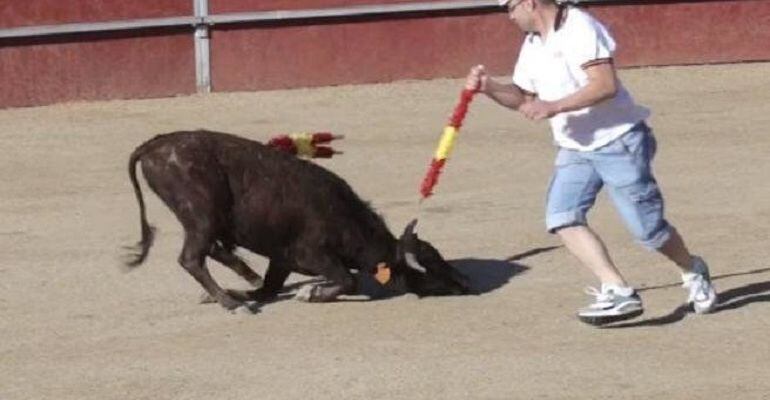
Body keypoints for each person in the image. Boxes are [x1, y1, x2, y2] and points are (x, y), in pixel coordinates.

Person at [465, 0, 717, 325]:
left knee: (648, 231)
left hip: (619, 141)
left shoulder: (579, 26)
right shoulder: (532, 44)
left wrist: (555, 107)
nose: (509, 16)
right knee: (562, 216)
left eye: (509, 8)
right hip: (575, 147)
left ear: (529, 2)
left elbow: (604, 85)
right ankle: (617, 290)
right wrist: (490, 88)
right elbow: (525, 98)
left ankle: (691, 268)